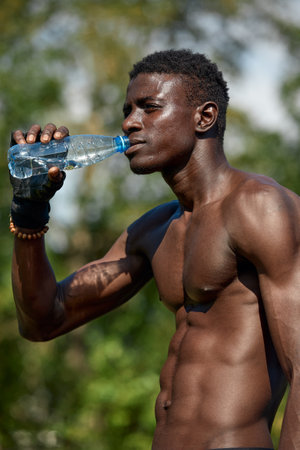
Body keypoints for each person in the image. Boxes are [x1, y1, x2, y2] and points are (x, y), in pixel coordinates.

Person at [9, 49, 300, 450]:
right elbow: (43, 319)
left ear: (205, 117)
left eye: (150, 107)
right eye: (128, 109)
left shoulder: (259, 207)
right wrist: (28, 215)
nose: (130, 122)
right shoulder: (155, 229)